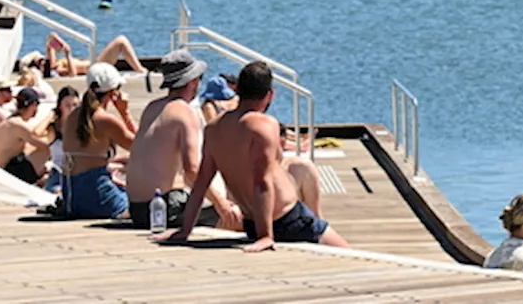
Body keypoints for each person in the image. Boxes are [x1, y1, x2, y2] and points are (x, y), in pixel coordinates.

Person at [162, 61, 349, 251]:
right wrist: (266, 236)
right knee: (347, 253)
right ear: (270, 94)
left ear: (237, 91)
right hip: (289, 219)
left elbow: (201, 183)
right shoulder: (265, 125)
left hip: (251, 222)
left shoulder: (214, 128)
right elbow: (263, 182)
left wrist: (185, 230)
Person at [125, 50, 240, 230]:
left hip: (137, 209)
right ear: (193, 81)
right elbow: (192, 170)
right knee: (237, 215)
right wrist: (221, 204)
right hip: (165, 208)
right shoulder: (185, 112)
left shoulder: (151, 108)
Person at [61, 63, 136, 219]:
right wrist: (125, 112)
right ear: (114, 92)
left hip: (71, 196)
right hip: (97, 194)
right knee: (143, 207)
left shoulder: (73, 116)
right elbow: (141, 146)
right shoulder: (105, 120)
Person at [0, 87, 53, 185]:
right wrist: (51, 120)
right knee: (47, 148)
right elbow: (46, 145)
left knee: (32, 147)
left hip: (2, 168)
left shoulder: (12, 121)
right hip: (8, 171)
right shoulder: (18, 125)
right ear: (34, 105)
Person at [24, 31, 148, 78]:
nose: (43, 60)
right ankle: (140, 70)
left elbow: (51, 37)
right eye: (39, 61)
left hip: (94, 63)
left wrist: (61, 43)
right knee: (120, 41)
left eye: (41, 58)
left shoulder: (53, 62)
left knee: (121, 41)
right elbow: (72, 74)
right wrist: (68, 54)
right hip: (94, 68)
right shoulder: (55, 68)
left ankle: (140, 69)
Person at [44, 86, 80, 193]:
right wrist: (51, 115)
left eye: (75, 105)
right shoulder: (54, 128)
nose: (72, 109)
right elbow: (36, 132)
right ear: (60, 106)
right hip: (59, 172)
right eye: (67, 105)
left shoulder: (83, 126)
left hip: (79, 170)